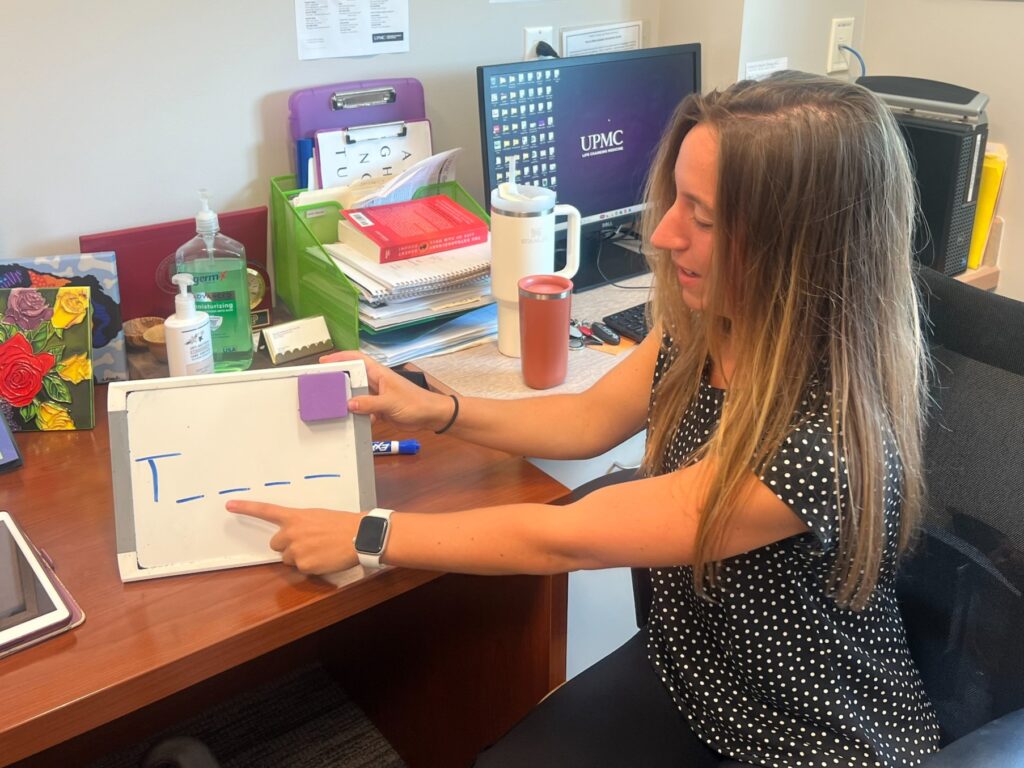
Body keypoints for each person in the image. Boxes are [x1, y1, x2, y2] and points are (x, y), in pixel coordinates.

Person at [228, 71, 942, 767]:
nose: (663, 235)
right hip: (698, 673)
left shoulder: (820, 443)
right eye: (675, 203)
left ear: (801, 250)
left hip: (805, 735)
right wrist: (437, 408)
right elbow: (586, 421)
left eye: (702, 217)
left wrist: (367, 533)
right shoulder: (712, 324)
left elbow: (563, 542)